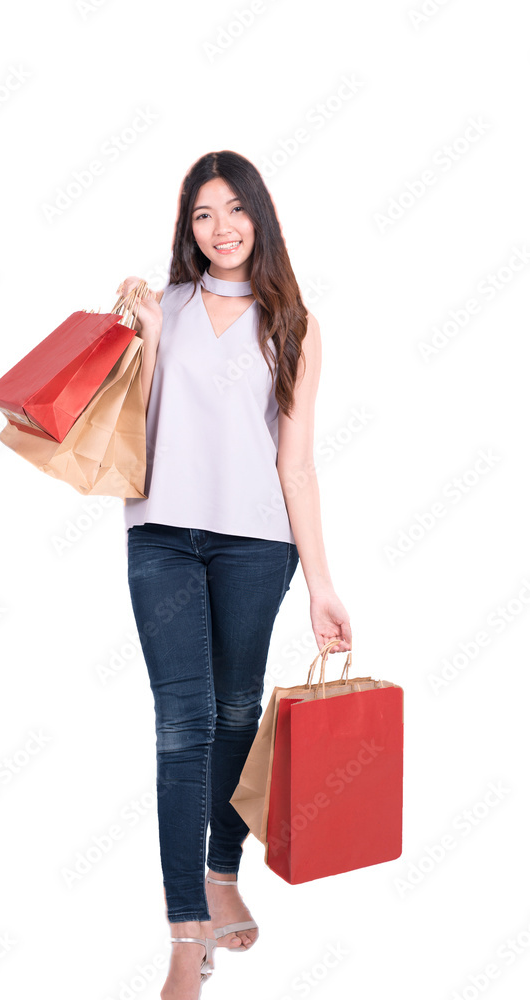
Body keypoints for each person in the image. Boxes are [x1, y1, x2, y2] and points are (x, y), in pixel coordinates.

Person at [118, 150, 351, 1000]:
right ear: (188, 227)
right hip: (163, 538)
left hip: (257, 545)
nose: (220, 229)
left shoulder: (292, 322)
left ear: (259, 213)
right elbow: (127, 425)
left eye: (232, 210)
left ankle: (223, 870)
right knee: (181, 726)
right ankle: (186, 935)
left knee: (233, 711)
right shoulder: (161, 308)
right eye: (202, 215)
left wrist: (321, 582)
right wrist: (138, 338)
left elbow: (295, 463)